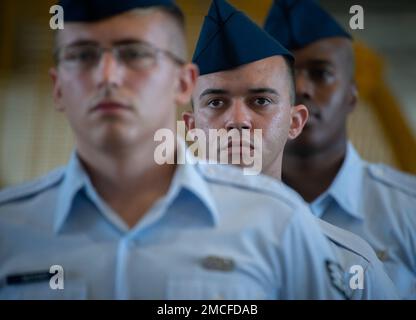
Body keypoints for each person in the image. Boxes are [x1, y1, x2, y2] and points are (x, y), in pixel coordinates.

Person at [0, 0, 345, 299]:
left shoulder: (279, 222)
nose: (108, 76)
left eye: (135, 54)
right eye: (83, 55)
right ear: (57, 87)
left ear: (181, 82)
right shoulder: (8, 230)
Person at [184, 0, 398, 299]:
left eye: (260, 101)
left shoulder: (350, 264)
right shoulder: (143, 251)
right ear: (191, 126)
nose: (237, 121)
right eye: (216, 102)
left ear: (295, 122)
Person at [264, 0, 416, 299]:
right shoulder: (219, 210)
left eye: (321, 73)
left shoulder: (409, 210)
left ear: (351, 96)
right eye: (285, 73)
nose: (302, 88)